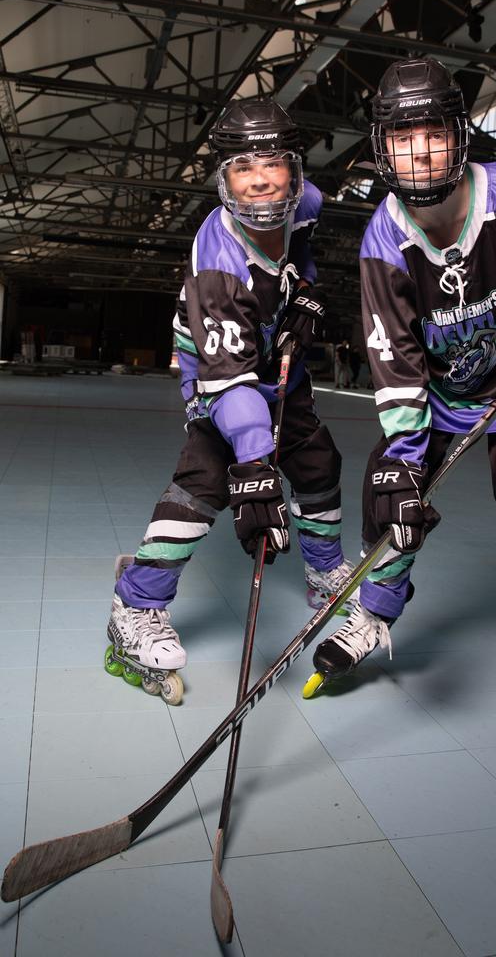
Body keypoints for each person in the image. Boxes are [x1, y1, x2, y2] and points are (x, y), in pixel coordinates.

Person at [307, 57, 496, 738]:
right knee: (390, 493)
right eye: (402, 136)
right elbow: (396, 357)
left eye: (433, 131)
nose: (419, 150)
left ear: (459, 135)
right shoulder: (383, 242)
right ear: (381, 148)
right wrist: (407, 463)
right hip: (438, 394)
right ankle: (375, 608)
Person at [105, 97, 354, 704]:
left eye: (273, 162)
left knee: (317, 461)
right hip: (220, 372)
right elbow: (233, 386)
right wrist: (253, 471)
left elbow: (306, 259)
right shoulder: (217, 264)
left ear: (295, 169)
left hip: (276, 361)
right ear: (224, 177)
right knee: (207, 477)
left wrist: (307, 297)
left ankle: (325, 574)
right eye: (244, 166)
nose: (262, 177)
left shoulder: (308, 205)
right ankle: (134, 605)